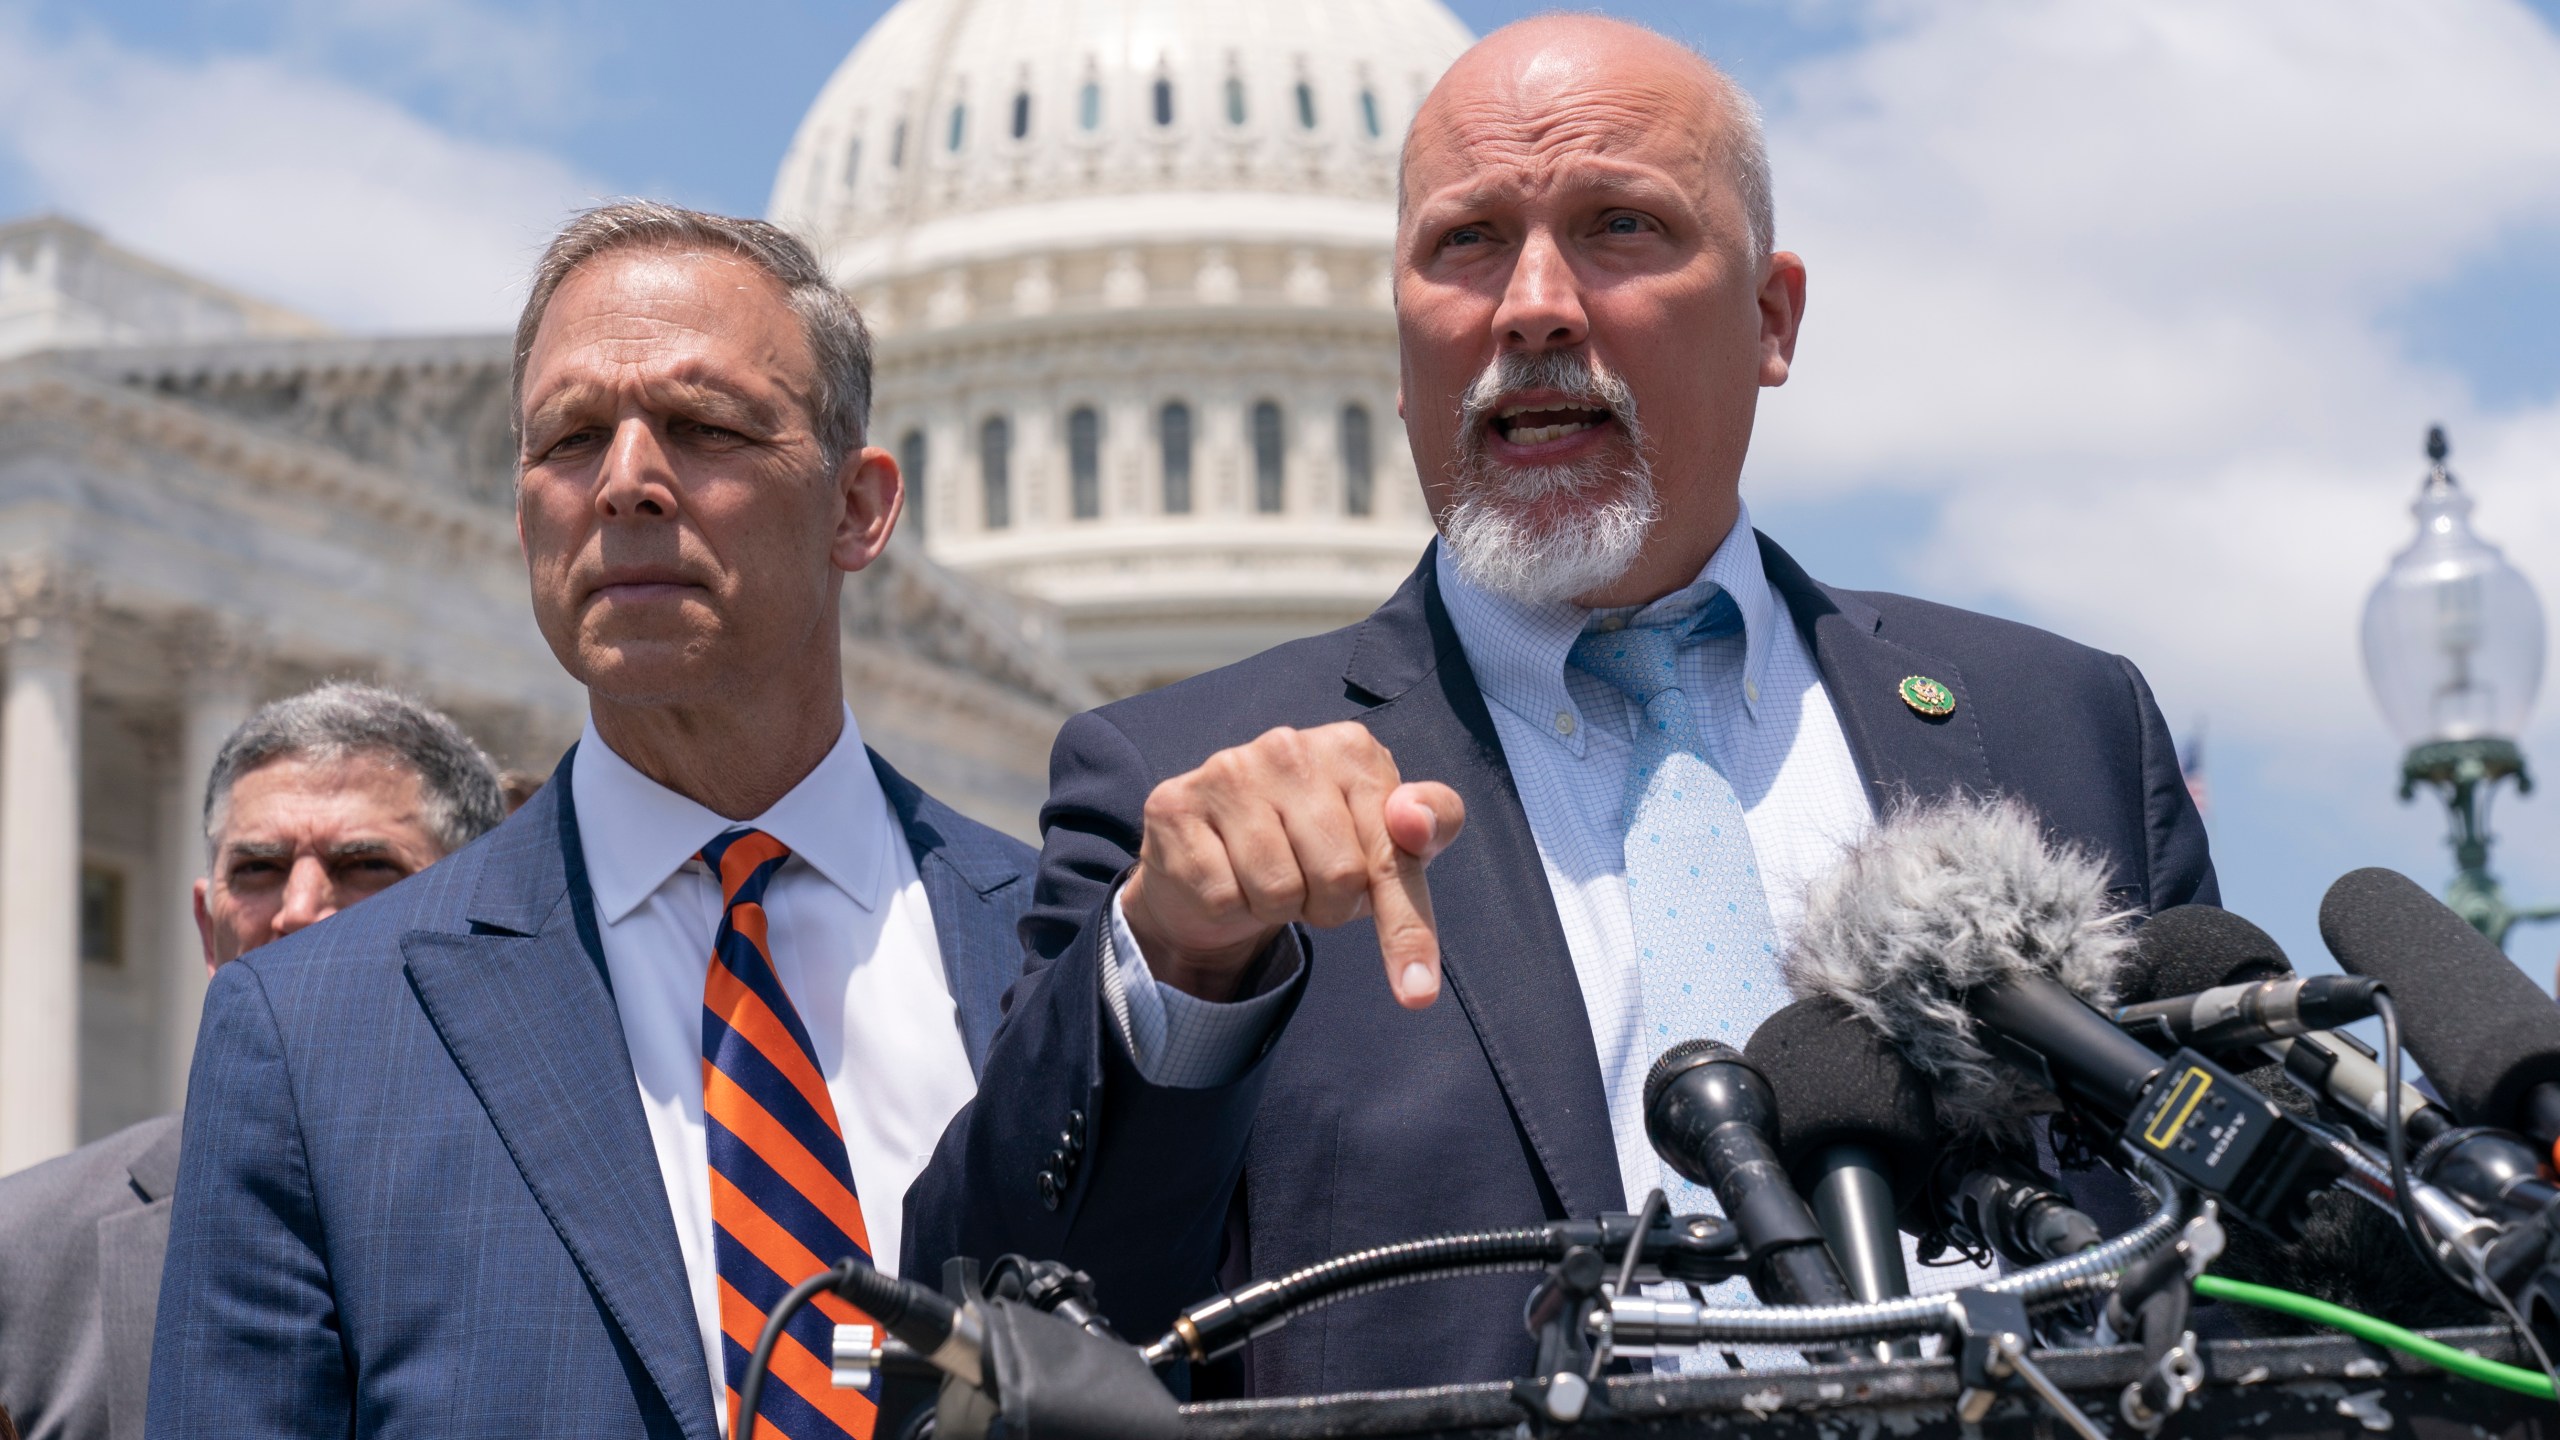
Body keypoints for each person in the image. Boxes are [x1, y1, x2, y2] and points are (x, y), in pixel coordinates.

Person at [906, 14, 2215, 1397]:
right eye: (1465, 242)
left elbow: (2252, 1269)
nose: (1534, 303)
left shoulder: (2061, 728)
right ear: (1399, 335)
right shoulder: (1185, 789)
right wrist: (1176, 969)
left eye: (1620, 226)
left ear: (1772, 319)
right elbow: (985, 1338)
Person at [150, 203, 1035, 1439]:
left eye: (702, 426)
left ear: (859, 508)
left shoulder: (1071, 951)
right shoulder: (310, 1038)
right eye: (570, 439)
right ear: (525, 521)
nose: (625, 481)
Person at [0, 682, 504, 1440]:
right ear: (209, 931)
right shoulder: (24, 1250)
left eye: (365, 864)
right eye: (260, 868)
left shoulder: (622, 1226)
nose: (299, 908)